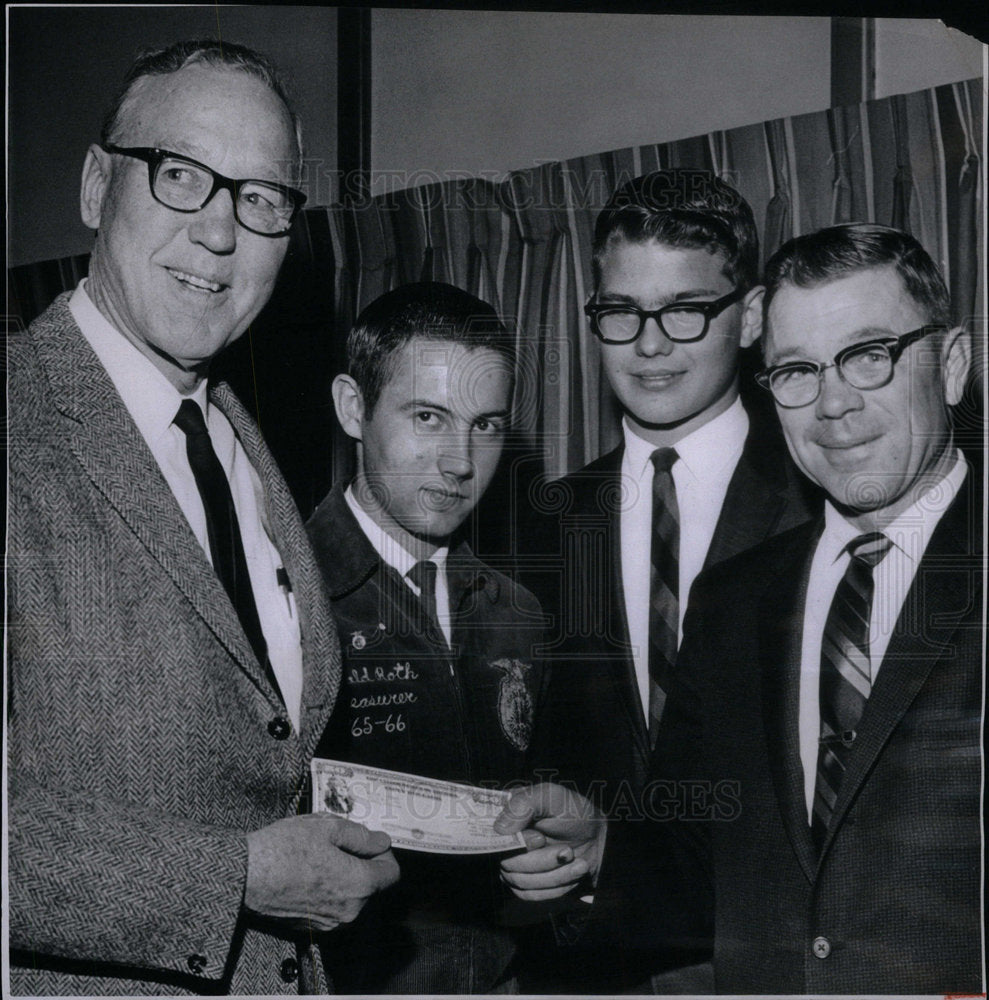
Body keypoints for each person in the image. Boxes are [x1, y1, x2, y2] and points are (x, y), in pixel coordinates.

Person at [6, 40, 398, 995]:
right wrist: (235, 879)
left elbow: (253, 758)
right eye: (182, 175)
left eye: (261, 198)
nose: (221, 235)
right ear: (99, 187)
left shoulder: (245, 447)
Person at [498, 223, 982, 994]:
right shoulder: (732, 602)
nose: (833, 404)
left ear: (950, 365)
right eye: (795, 370)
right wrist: (600, 849)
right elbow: (700, 852)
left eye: (868, 356)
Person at [516, 167, 818, 988]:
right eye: (620, 313)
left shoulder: (825, 503)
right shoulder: (539, 523)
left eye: (686, 310)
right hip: (582, 966)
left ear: (750, 315)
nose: (650, 345)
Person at [306, 282, 546, 993]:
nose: (461, 462)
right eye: (428, 417)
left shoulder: (519, 614)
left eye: (487, 425)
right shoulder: (279, 593)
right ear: (354, 407)